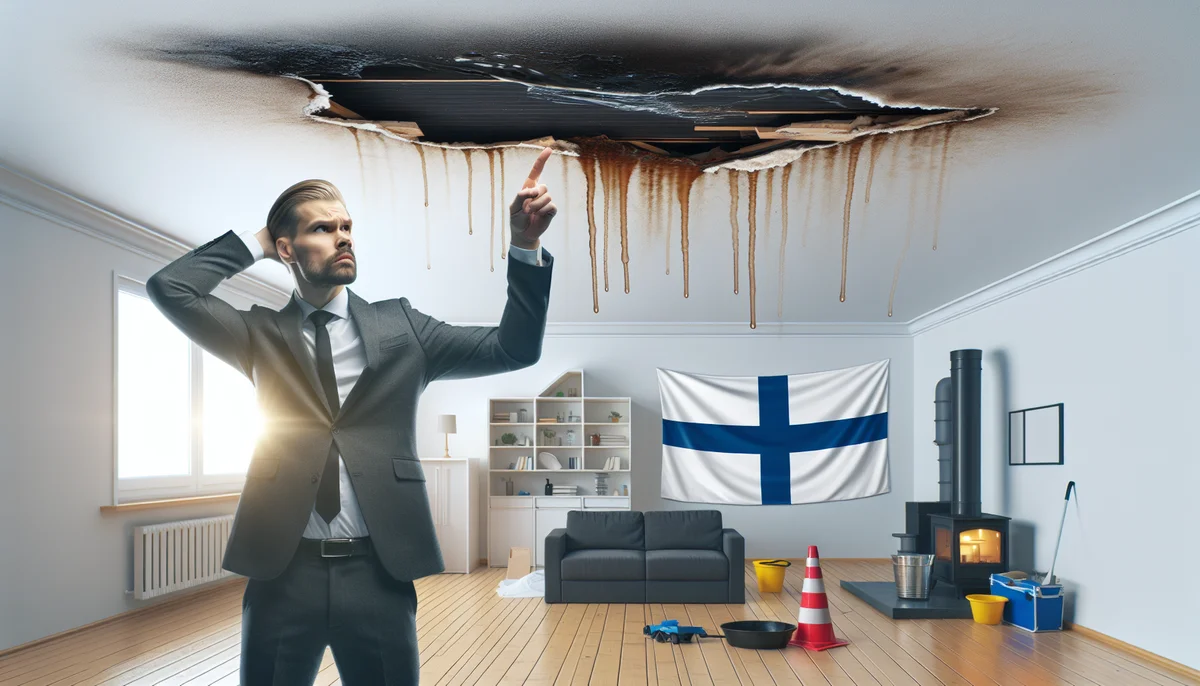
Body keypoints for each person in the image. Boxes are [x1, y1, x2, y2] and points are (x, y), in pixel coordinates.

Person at [146, 147, 558, 684]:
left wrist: (525, 246)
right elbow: (170, 288)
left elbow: (514, 348)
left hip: (378, 573)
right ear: (287, 249)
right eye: (322, 228)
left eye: (346, 226)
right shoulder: (258, 334)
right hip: (282, 573)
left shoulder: (404, 327)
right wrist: (259, 241)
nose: (343, 237)